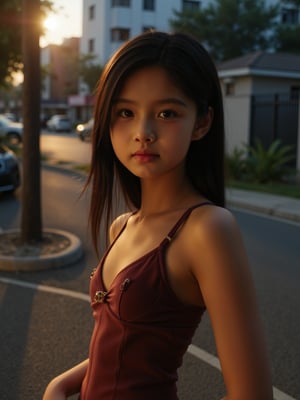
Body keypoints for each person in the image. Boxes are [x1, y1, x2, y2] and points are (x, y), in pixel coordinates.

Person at [43, 31, 273, 400]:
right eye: (125, 113)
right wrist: (61, 385)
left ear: (201, 123)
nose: (143, 133)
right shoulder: (123, 225)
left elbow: (252, 393)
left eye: (167, 113)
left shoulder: (207, 229)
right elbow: (119, 349)